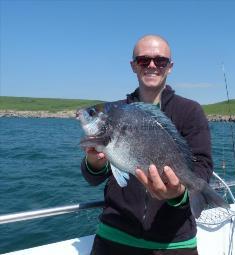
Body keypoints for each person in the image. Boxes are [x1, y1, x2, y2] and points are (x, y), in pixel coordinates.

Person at [81, 35, 213, 255]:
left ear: (170, 67)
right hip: (112, 239)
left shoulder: (191, 111)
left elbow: (202, 167)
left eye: (160, 61)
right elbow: (92, 178)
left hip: (174, 244)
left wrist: (179, 193)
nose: (152, 65)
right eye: (144, 60)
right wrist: (94, 163)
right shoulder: (114, 111)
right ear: (134, 66)